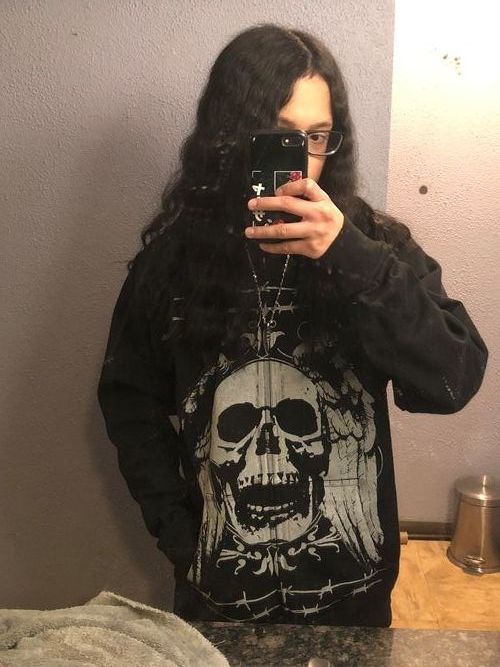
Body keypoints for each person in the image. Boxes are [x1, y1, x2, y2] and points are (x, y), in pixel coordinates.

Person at [97, 24, 488, 627]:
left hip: (354, 607)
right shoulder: (173, 264)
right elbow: (128, 402)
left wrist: (350, 257)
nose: (301, 161)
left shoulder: (374, 248)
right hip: (219, 608)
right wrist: (182, 536)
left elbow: (453, 377)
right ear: (231, 136)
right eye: (280, 137)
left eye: (317, 137)